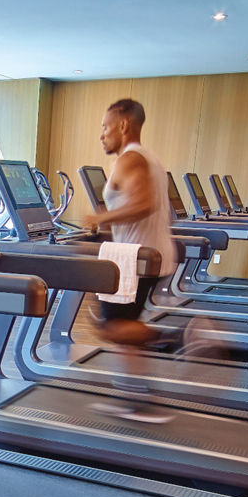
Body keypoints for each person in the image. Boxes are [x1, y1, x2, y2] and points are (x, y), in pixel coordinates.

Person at [82, 98, 177, 421]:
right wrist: (109, 222)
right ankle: (135, 399)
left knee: (110, 327)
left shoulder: (130, 159)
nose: (102, 135)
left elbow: (145, 203)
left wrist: (98, 219)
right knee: (125, 332)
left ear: (124, 125)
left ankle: (178, 337)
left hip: (135, 260)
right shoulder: (148, 159)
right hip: (146, 255)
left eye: (105, 127)